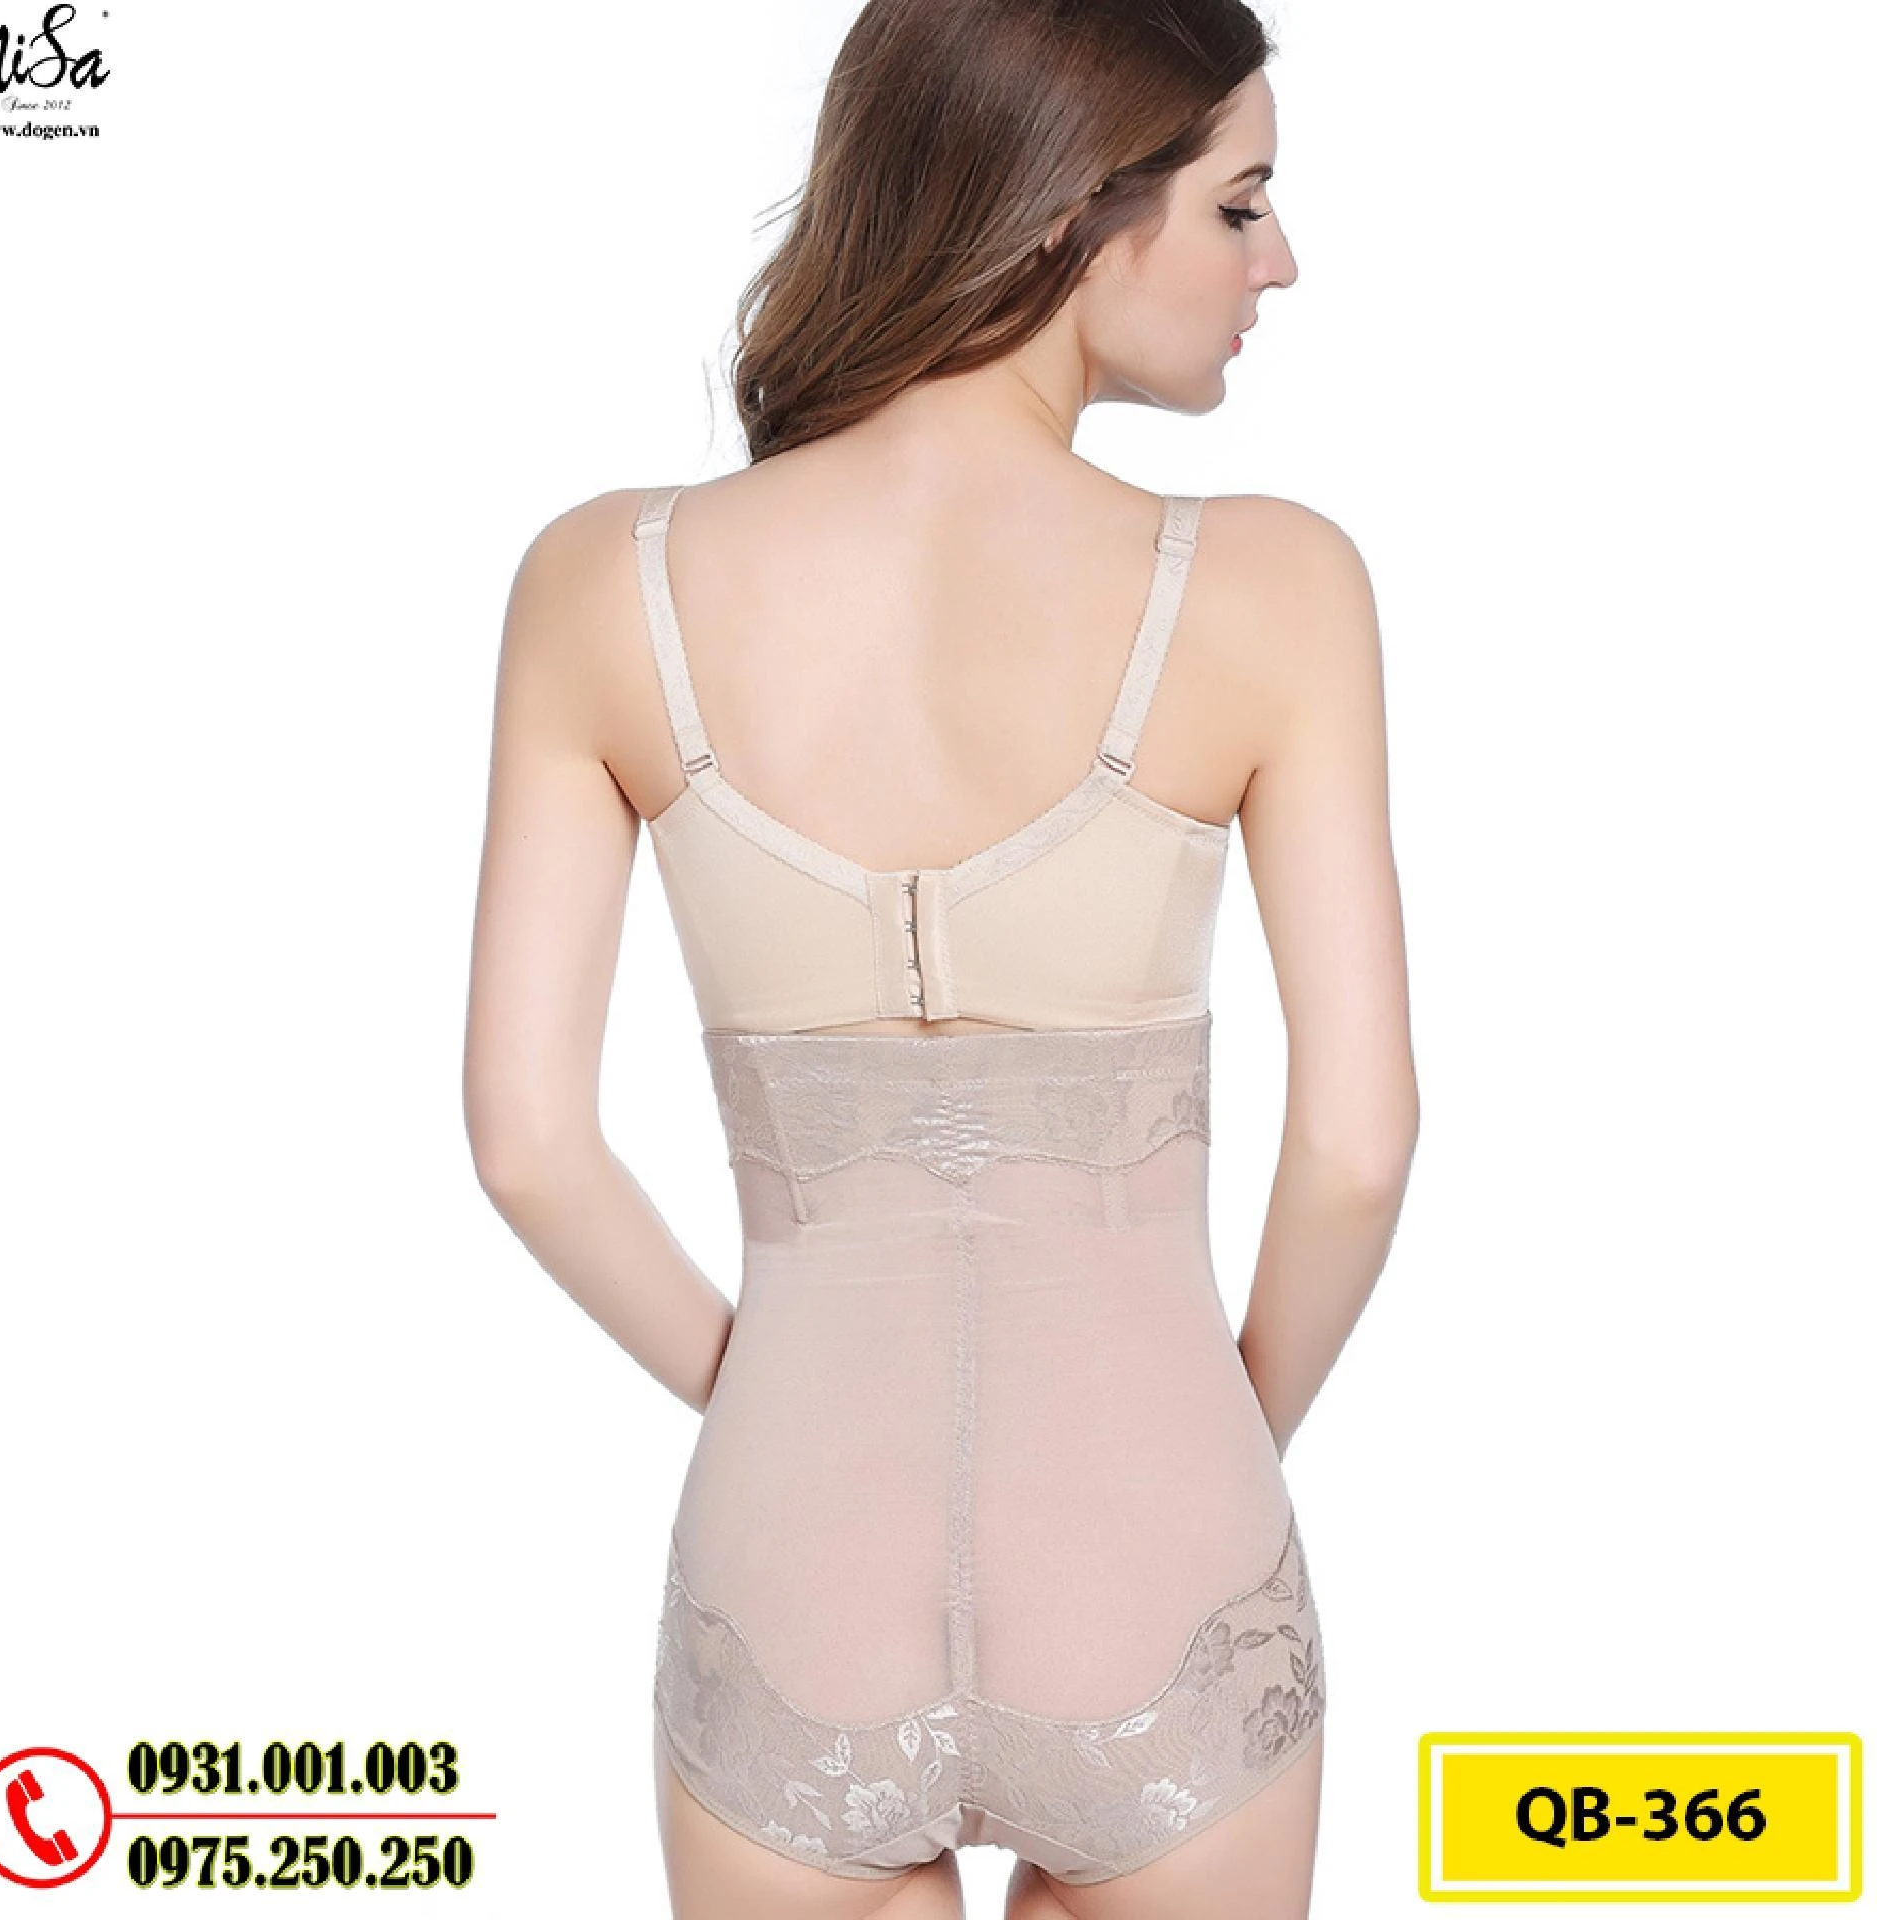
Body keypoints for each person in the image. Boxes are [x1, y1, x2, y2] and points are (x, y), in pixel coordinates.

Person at [464, 0, 1418, 1913]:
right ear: (1073, 207)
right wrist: (1216, 1440)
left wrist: (768, 1386)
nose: (1282, 264)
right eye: (1241, 206)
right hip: (1166, 1557)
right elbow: (1357, 1147)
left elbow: (527, 1144)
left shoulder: (601, 582)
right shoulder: (1275, 583)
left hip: (785, 1573)